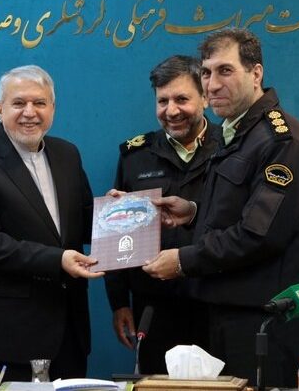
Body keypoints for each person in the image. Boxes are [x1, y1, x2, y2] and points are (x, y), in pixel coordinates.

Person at [143, 29, 299, 387]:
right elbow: (243, 210)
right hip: (227, 316)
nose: (212, 85)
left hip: (263, 324)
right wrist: (194, 212)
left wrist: (182, 260)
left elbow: (259, 236)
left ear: (255, 74)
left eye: (225, 71)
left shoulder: (282, 141)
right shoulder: (240, 133)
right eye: (206, 73)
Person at [0, 65, 103, 383]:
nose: (30, 112)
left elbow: (87, 222)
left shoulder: (67, 154)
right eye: (19, 103)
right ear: (0, 109)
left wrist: (121, 213)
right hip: (13, 335)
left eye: (39, 103)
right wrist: (58, 260)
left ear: (53, 108)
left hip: (70, 332)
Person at [104, 55, 221, 373]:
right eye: (162, 101)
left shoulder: (231, 149)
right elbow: (118, 236)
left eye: (182, 99)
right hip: (154, 308)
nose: (171, 110)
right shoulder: (135, 156)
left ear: (205, 98)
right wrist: (119, 303)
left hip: (216, 303)